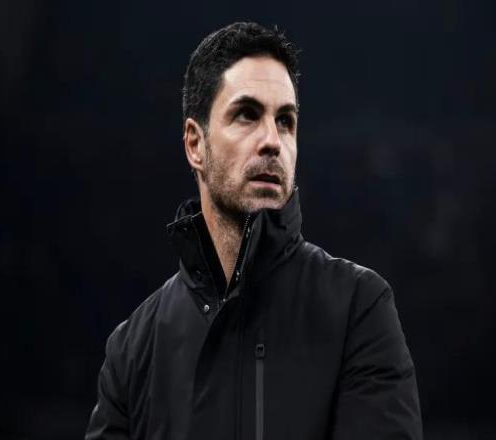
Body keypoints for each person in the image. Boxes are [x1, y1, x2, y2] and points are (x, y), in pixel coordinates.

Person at [85, 22, 422, 440]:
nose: (272, 141)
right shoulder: (133, 349)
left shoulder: (359, 307)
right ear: (195, 144)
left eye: (285, 121)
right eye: (247, 115)